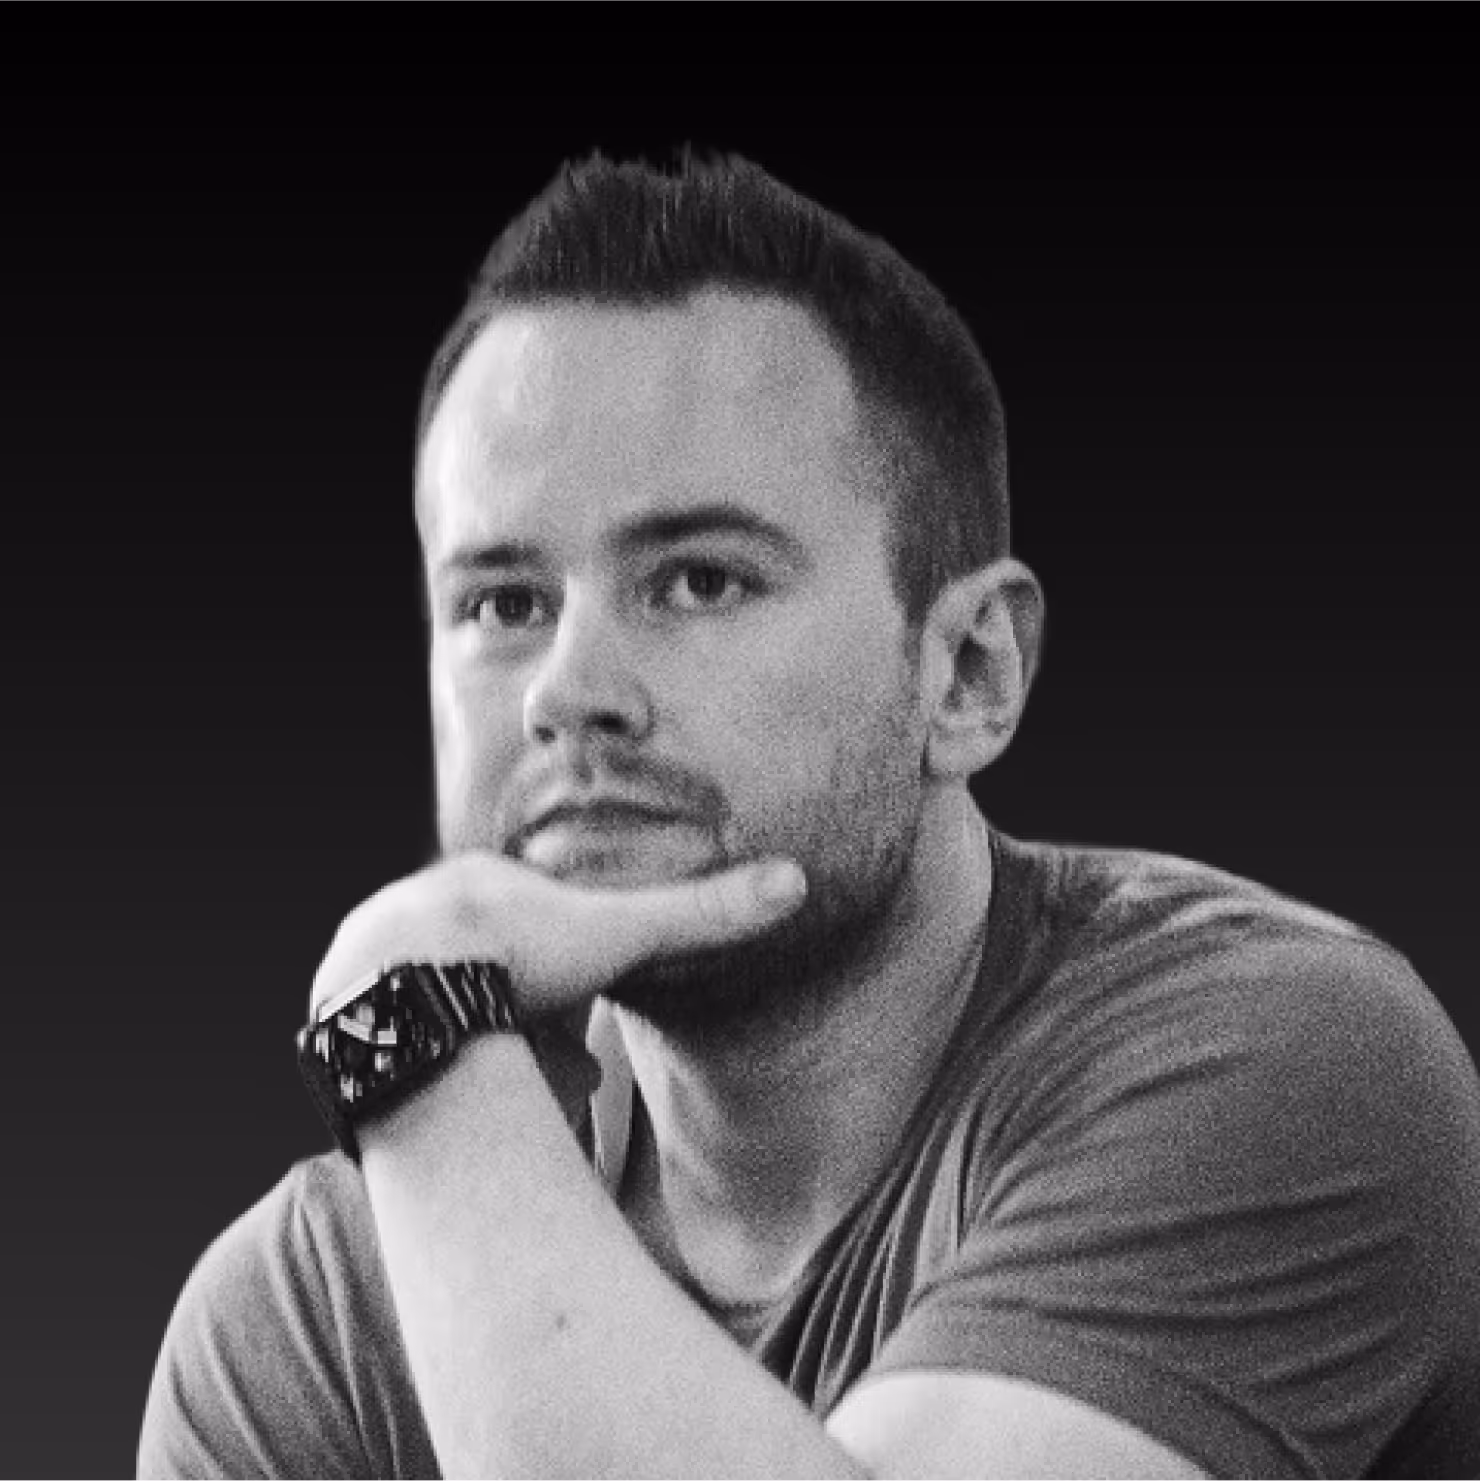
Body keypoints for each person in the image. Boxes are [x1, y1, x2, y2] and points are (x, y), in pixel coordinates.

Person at [138, 153, 1480, 1480]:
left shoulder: (1281, 1064)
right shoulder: (312, 1314)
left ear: (969, 673)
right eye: (502, 603)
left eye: (701, 581)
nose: (569, 694)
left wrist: (405, 1030)